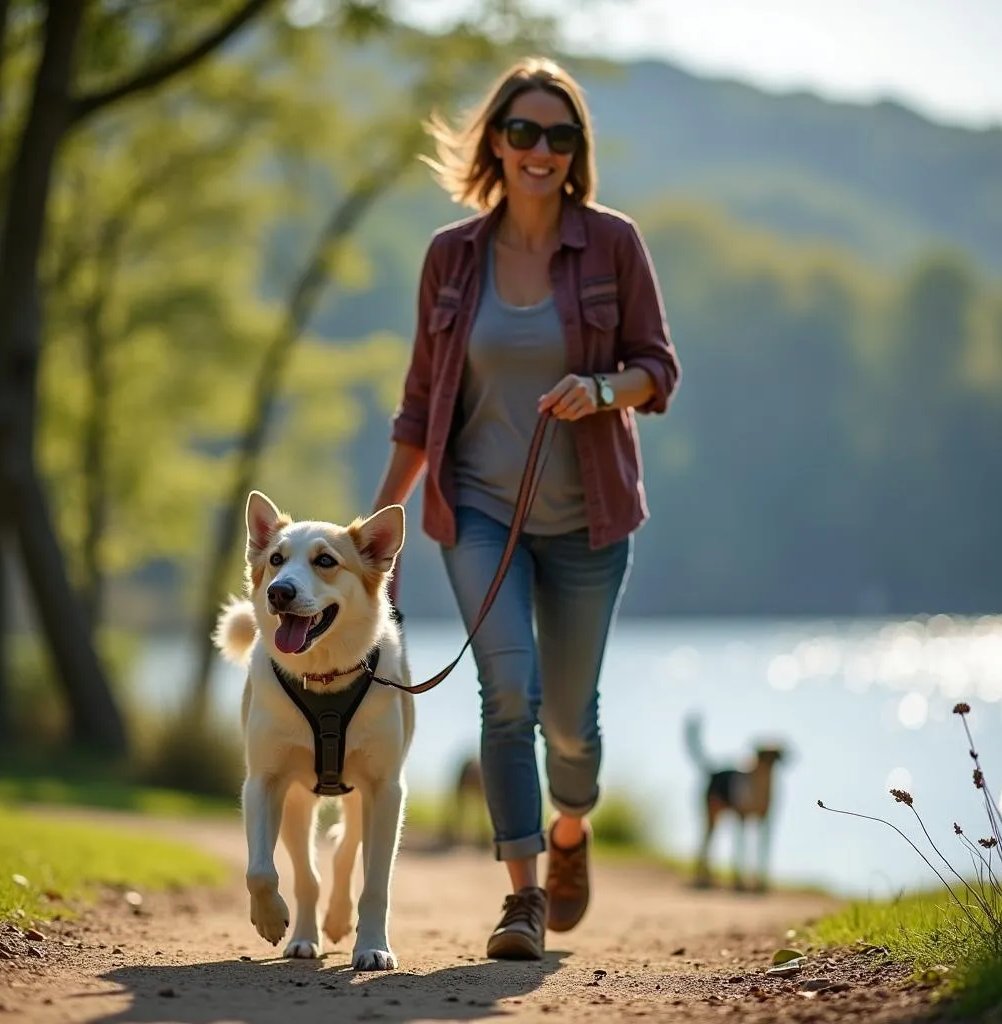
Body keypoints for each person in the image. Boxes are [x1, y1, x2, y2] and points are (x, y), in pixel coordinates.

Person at [371, 56, 680, 960]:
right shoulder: (450, 258)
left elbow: (658, 369)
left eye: (560, 135)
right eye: (523, 132)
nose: (540, 150)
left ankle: (571, 826)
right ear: (496, 143)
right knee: (507, 696)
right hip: (476, 512)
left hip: (590, 521)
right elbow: (420, 402)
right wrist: (370, 542)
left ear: (576, 150)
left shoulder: (613, 244)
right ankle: (523, 899)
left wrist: (602, 387)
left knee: (568, 724)